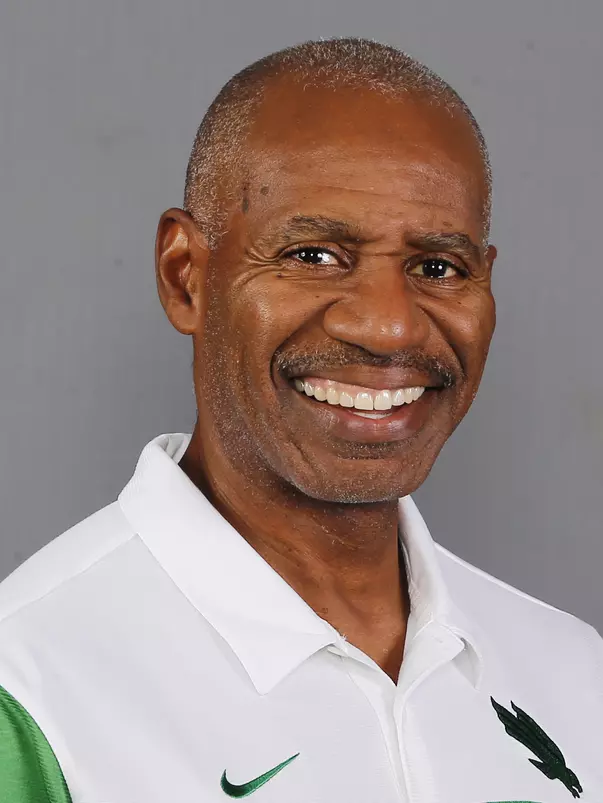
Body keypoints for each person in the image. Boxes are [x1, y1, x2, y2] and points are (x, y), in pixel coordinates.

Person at [0, 37, 600, 803]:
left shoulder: (573, 675)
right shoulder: (29, 693)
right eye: (314, 255)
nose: (387, 328)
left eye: (436, 268)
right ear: (186, 276)